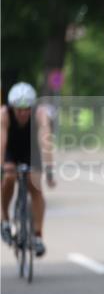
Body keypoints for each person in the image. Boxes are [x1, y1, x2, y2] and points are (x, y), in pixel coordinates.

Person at [1, 83, 56, 256]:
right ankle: (5, 220)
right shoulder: (4, 115)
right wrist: (1, 167)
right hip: (10, 149)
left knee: (36, 188)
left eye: (26, 109)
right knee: (8, 178)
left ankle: (38, 235)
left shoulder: (40, 114)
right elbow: (1, 143)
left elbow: (46, 142)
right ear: (12, 107)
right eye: (19, 109)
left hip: (31, 150)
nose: (23, 113)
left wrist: (49, 169)